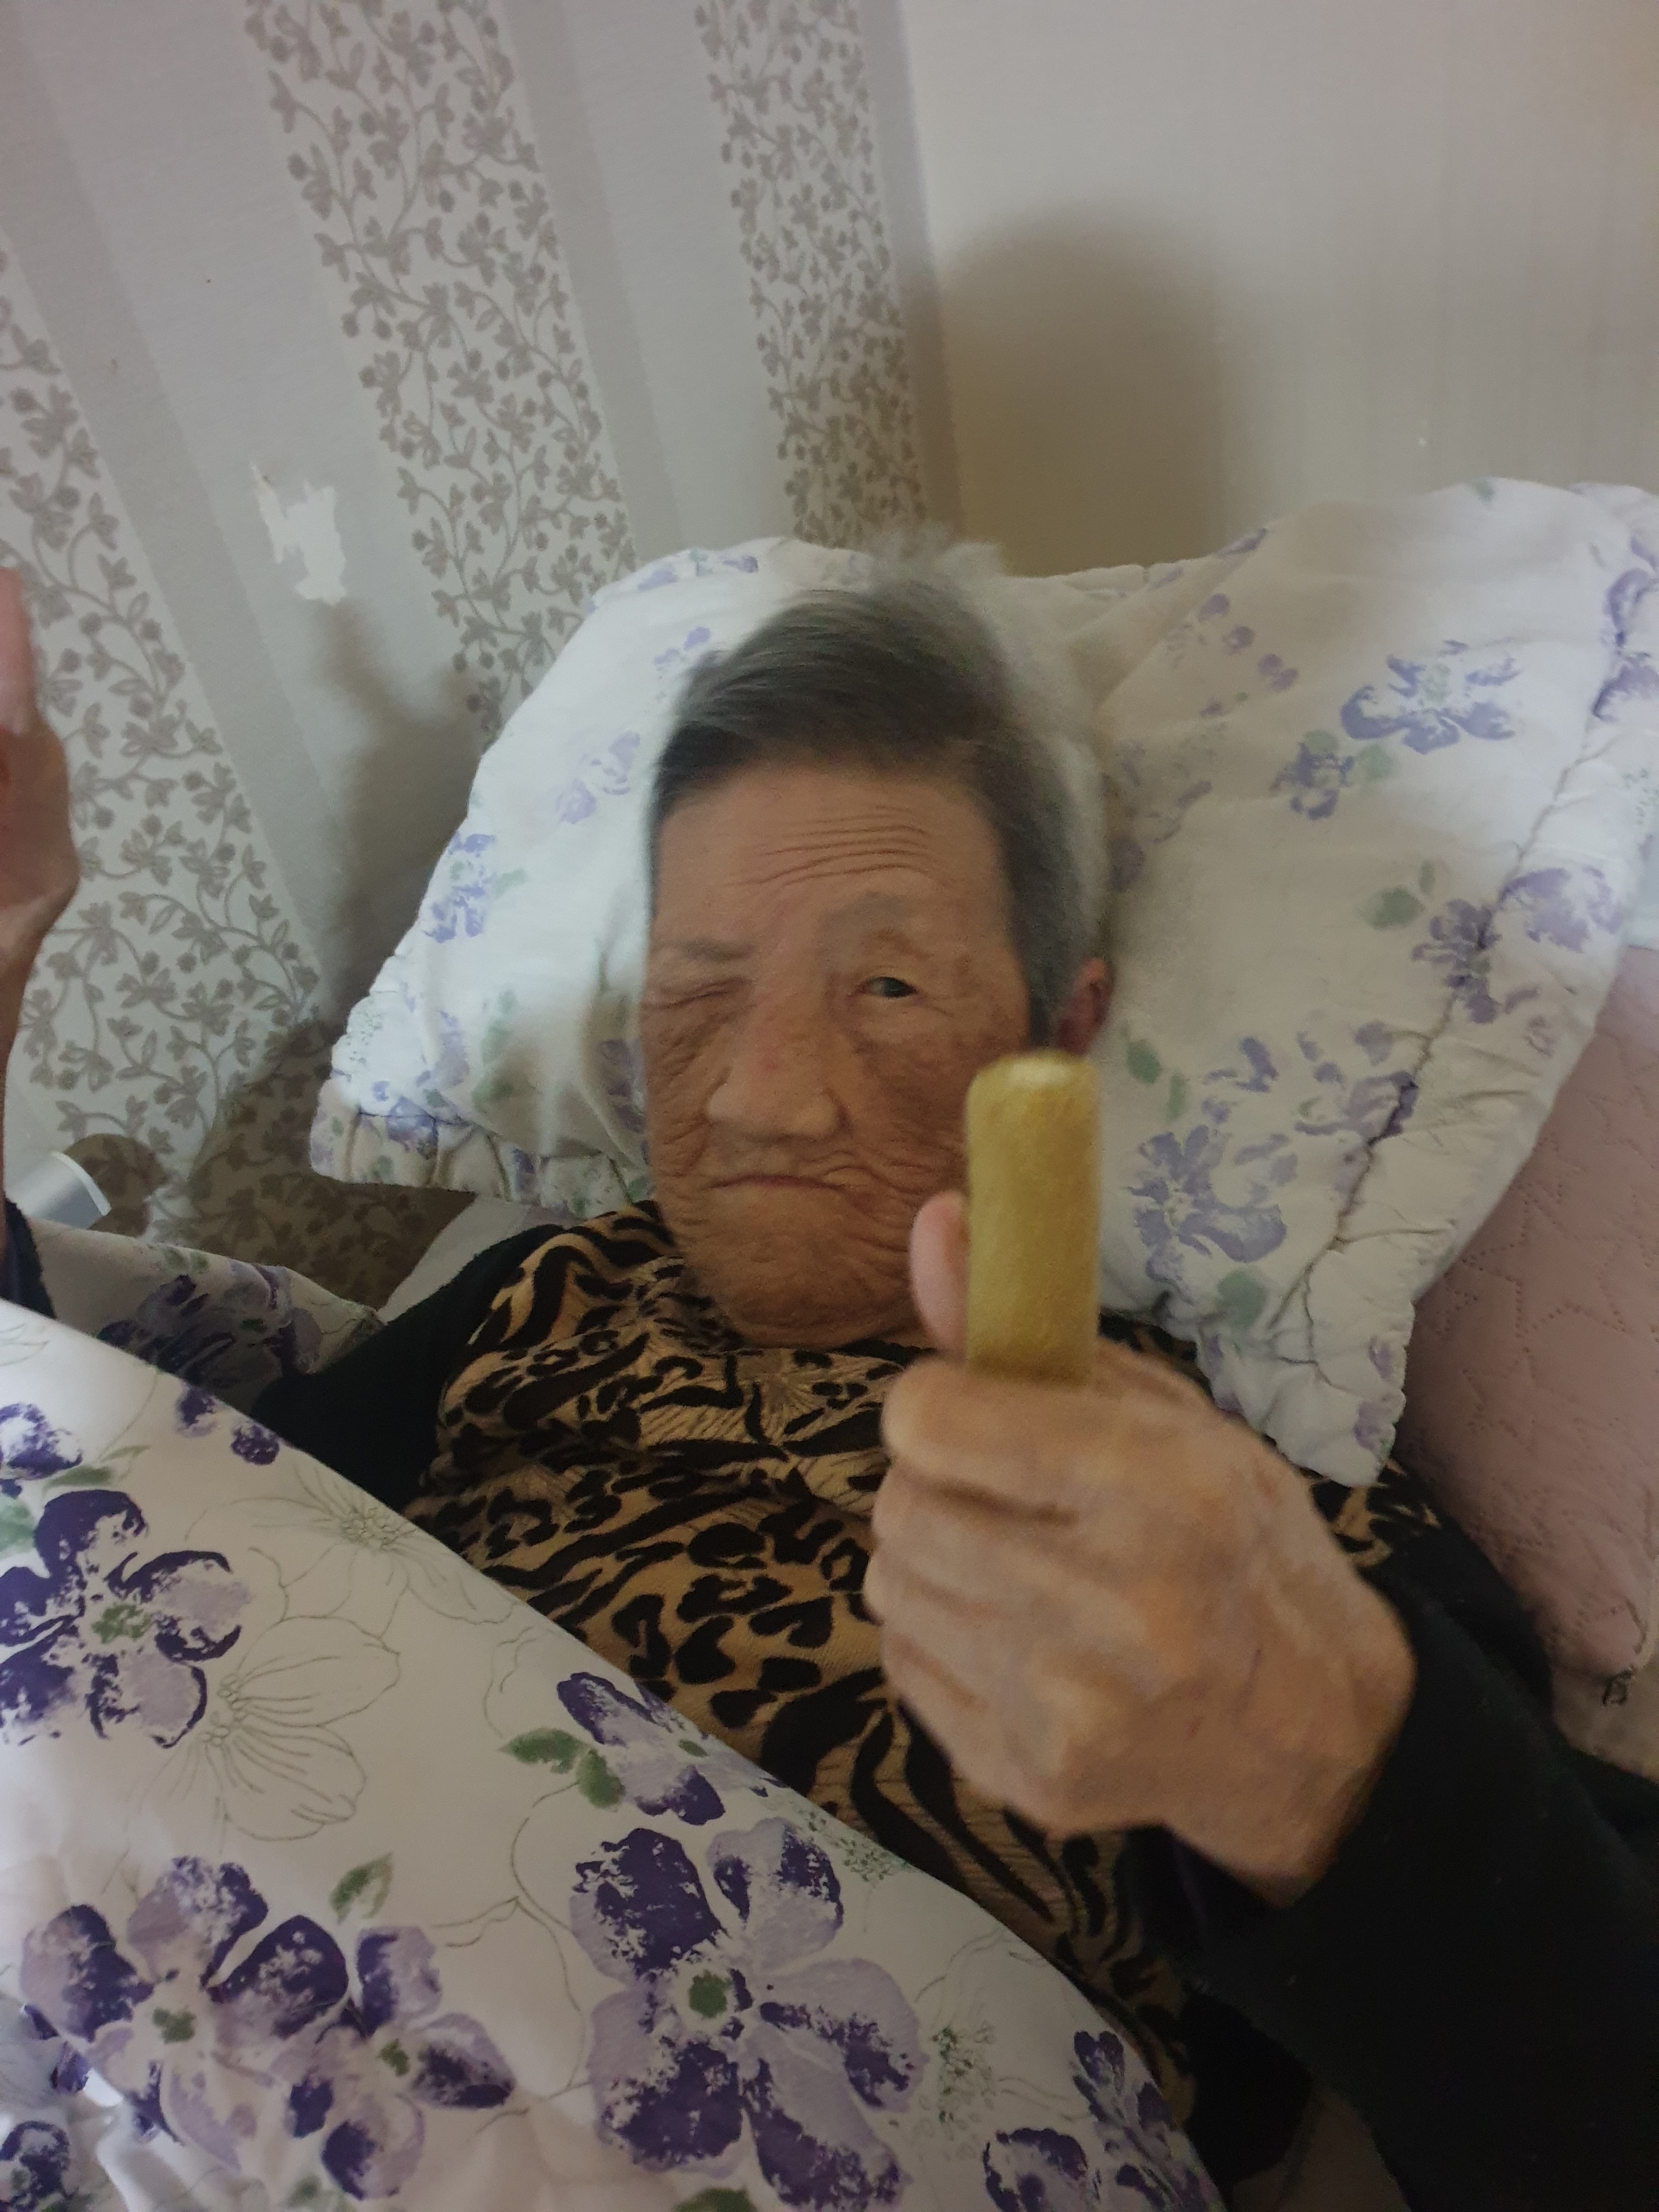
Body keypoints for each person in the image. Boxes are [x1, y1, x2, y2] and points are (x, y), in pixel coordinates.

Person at [0, 563, 1655, 2210]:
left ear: (1058, 1031)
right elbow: (121, 1604)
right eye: (700, 987)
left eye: (888, 986)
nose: (763, 1097)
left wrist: (1322, 1755)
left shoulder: (1233, 1529)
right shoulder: (537, 1298)